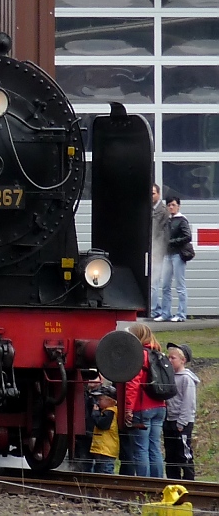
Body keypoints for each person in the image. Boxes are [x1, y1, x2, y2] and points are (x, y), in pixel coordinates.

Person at [122, 322, 167, 478]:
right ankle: (158, 481)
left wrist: (128, 408)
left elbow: (133, 383)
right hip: (160, 405)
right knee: (154, 447)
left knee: (140, 449)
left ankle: (144, 482)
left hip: (142, 407)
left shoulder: (139, 355)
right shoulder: (159, 353)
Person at [164, 342, 199, 480]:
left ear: (183, 360)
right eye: (169, 357)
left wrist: (181, 422)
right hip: (169, 420)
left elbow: (188, 403)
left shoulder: (186, 378)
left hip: (181, 422)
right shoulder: (170, 377)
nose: (170, 360)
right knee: (170, 455)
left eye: (173, 358)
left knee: (183, 454)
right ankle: (173, 481)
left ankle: (189, 481)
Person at [157, 197, 192, 323]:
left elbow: (188, 236)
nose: (171, 207)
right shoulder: (168, 220)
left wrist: (172, 242)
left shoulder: (182, 220)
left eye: (173, 205)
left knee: (180, 286)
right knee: (165, 285)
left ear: (178, 206)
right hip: (168, 254)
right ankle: (166, 313)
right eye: (169, 205)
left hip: (178, 255)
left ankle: (181, 314)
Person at [149, 184, 171, 320]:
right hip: (149, 250)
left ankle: (153, 310)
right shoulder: (147, 208)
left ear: (159, 194)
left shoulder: (164, 211)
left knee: (154, 282)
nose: (150, 196)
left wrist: (158, 251)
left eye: (153, 193)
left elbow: (164, 235)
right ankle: (155, 308)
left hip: (157, 251)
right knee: (151, 281)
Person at [89, 384, 119, 474]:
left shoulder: (110, 412)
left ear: (110, 400)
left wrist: (95, 414)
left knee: (106, 471)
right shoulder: (106, 411)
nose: (97, 402)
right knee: (99, 471)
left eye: (100, 399)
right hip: (103, 449)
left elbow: (102, 424)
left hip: (106, 450)